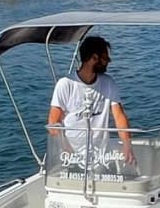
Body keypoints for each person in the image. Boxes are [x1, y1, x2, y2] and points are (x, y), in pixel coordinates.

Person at [48, 35, 136, 167]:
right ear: (94, 58)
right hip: (70, 157)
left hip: (100, 157)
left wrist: (127, 145)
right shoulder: (66, 84)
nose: (109, 61)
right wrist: (67, 150)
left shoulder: (108, 83)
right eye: (105, 58)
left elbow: (119, 116)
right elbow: (53, 123)